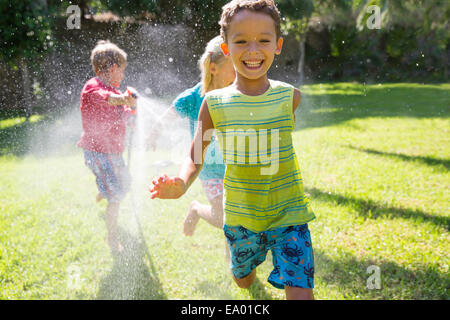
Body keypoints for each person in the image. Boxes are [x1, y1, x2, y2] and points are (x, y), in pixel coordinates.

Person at [149, 0, 315, 300]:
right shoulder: (213, 104)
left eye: (263, 40)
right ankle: (245, 269)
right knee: (243, 280)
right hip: (240, 217)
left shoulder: (289, 97)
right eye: (241, 41)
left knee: (301, 292)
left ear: (278, 45)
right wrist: (182, 183)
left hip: (288, 213)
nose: (253, 50)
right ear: (225, 48)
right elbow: (195, 154)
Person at [151, 35, 235, 236]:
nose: (239, 74)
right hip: (209, 169)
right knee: (223, 218)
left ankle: (232, 260)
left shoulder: (236, 94)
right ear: (213, 68)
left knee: (235, 220)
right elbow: (168, 114)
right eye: (234, 68)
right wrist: (153, 133)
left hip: (234, 167)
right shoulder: (193, 97)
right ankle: (196, 209)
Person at [78, 40, 137, 252]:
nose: (122, 75)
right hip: (97, 153)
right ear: (113, 69)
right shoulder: (93, 87)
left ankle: (103, 190)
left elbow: (124, 113)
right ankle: (112, 239)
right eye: (121, 70)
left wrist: (133, 115)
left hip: (113, 153)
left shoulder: (115, 92)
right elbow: (109, 99)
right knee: (116, 196)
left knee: (125, 183)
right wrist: (123, 99)